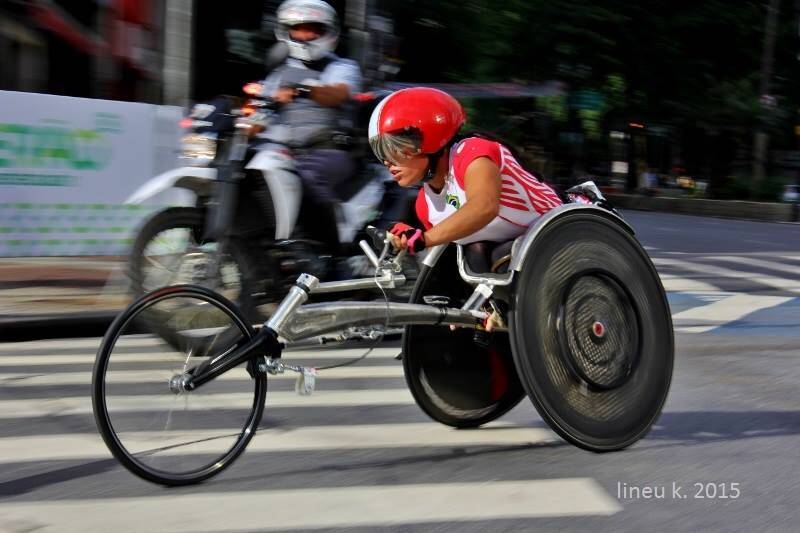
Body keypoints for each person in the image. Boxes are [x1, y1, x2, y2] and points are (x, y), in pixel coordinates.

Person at [367, 87, 563, 265]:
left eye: (395, 150)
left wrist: (424, 239)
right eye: (382, 153)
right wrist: (403, 240)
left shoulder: (473, 152)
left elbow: (484, 207)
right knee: (475, 256)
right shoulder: (425, 205)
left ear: (430, 138)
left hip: (565, 232)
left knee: (499, 259)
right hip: (520, 254)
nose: (387, 162)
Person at [261, 0, 363, 251]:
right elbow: (261, 109)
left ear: (327, 32)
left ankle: (332, 251)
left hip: (333, 150)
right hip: (290, 152)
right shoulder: (277, 75)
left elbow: (338, 93)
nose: (305, 35)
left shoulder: (341, 67)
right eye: (298, 28)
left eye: (312, 29)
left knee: (308, 177)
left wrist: (301, 90)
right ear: (286, 31)